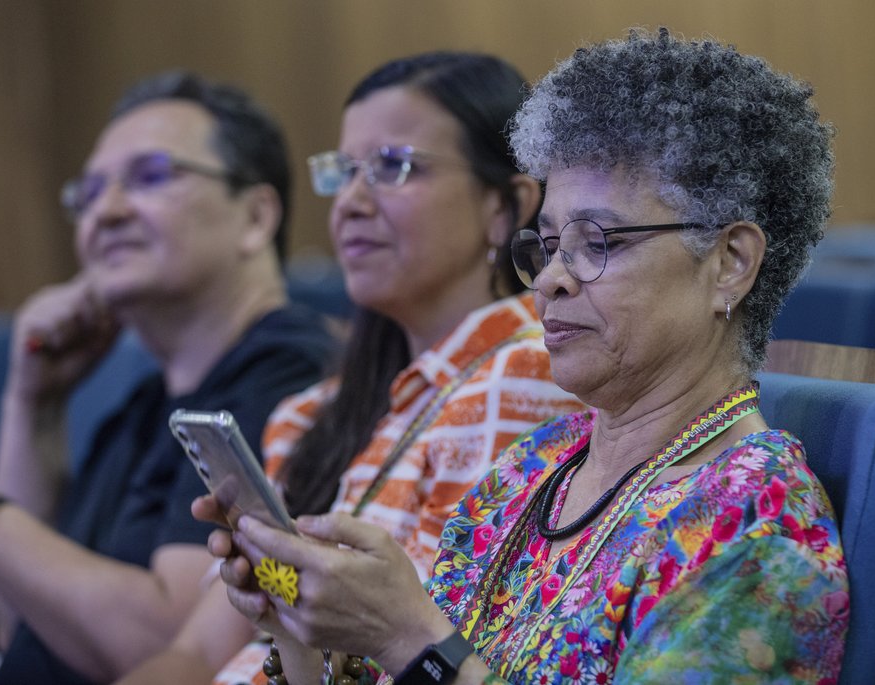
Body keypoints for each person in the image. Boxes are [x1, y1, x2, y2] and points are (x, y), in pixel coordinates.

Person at [206, 28, 849, 684]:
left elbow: (423, 658)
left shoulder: (755, 523)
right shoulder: (534, 467)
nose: (549, 279)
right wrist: (304, 630)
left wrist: (408, 636)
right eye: (547, 244)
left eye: (597, 241)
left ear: (730, 263)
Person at [115, 52, 585, 685]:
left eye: (395, 167)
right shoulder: (313, 410)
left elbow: (415, 662)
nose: (352, 203)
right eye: (344, 172)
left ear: (505, 207)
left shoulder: (525, 376)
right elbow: (199, 655)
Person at [0, 71, 334, 684]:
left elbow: (169, 650)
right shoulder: (143, 401)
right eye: (89, 192)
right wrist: (32, 403)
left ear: (255, 215)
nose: (104, 213)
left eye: (151, 176)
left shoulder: (287, 374)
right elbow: (27, 625)